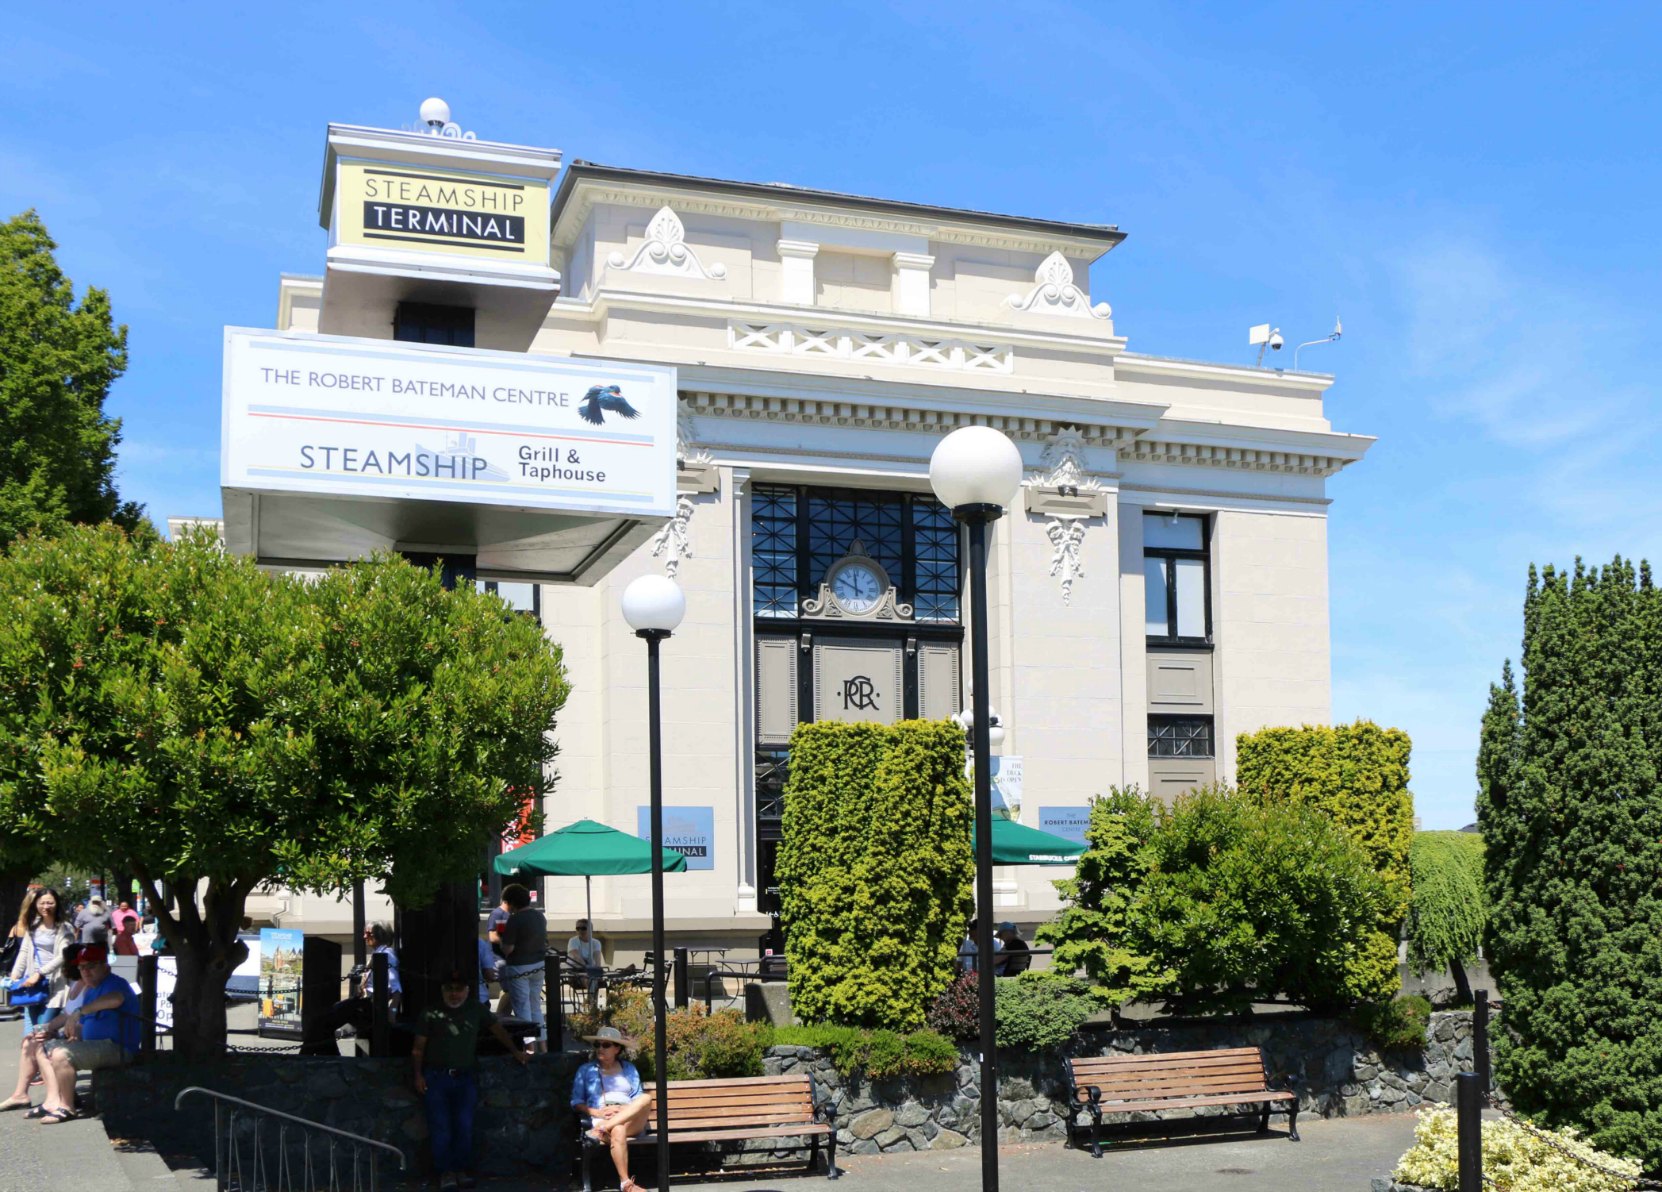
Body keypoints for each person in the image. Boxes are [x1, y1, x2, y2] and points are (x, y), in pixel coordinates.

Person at [412, 967, 529, 1191]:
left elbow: (498, 1030)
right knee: (441, 1127)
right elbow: (418, 1047)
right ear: (443, 990)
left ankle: (461, 1170)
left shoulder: (476, 1009)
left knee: (464, 1126)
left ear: (467, 990)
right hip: (436, 1077)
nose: (454, 994)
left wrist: (515, 1051)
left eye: (459, 989)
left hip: (465, 1077)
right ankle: (445, 1172)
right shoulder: (430, 1013)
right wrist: (418, 1075)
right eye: (449, 989)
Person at [31, 943, 139, 1122]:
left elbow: (115, 999)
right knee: (42, 1048)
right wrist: (69, 1032)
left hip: (117, 1047)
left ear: (105, 965)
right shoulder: (90, 990)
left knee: (61, 1055)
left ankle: (67, 1108)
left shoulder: (115, 983)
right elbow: (86, 1024)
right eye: (82, 967)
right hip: (95, 1045)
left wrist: (80, 1011)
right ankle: (54, 1101)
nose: (86, 971)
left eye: (91, 966)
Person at [1, 944, 85, 1112]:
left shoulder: (88, 987)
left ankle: (54, 1099)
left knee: (41, 1046)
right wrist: (44, 1028)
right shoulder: (76, 985)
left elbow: (85, 1020)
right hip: (71, 1031)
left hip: (82, 1035)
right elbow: (66, 1015)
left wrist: (53, 1033)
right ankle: (20, 1094)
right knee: (31, 1041)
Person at [570, 1026, 651, 1192]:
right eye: (598, 1045)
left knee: (646, 1098)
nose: (600, 1048)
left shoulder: (629, 1069)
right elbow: (576, 1102)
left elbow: (637, 1097)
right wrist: (597, 1112)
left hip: (627, 1119)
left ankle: (602, 1129)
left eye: (606, 1045)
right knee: (618, 1130)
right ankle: (626, 1184)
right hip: (602, 1116)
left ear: (617, 1048)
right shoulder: (586, 1070)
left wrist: (623, 1109)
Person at [311, 922, 401, 1047]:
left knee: (323, 1022)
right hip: (364, 1002)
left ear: (380, 935)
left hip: (371, 1006)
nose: (364, 937)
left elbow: (396, 988)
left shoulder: (386, 955)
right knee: (324, 1021)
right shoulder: (378, 954)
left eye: (368, 933)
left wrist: (392, 1012)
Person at [8, 888, 73, 1034]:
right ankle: (44, 1053)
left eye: (50, 903)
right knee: (34, 1032)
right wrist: (15, 975)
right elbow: (24, 952)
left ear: (57, 904)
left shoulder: (65, 928)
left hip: (56, 984)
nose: (46, 906)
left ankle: (55, 1052)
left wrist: (40, 973)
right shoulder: (33, 926)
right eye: (42, 903)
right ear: (36, 904)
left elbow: (64, 955)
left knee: (43, 1029)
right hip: (33, 986)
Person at [493, 885, 546, 1051]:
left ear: (512, 903)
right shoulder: (540, 916)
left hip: (519, 967)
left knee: (522, 1008)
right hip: (539, 964)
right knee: (535, 1006)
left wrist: (502, 941)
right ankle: (543, 1047)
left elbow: (508, 949)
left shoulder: (515, 920)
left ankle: (530, 1049)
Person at [565, 919, 605, 1006]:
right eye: (577, 928)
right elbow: (577, 956)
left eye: (583, 928)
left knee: (594, 978)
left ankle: (591, 1003)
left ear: (591, 929)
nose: (580, 931)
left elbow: (597, 958)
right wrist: (588, 969)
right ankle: (592, 1004)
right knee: (589, 979)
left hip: (589, 971)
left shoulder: (596, 943)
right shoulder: (573, 941)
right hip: (574, 971)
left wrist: (597, 971)